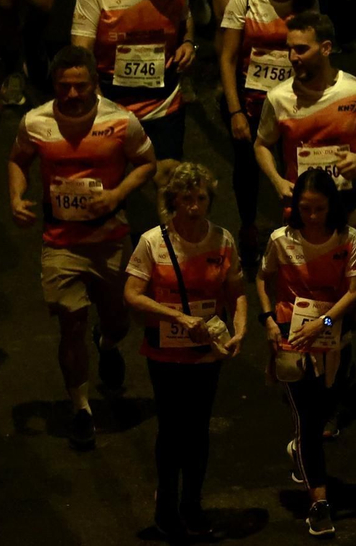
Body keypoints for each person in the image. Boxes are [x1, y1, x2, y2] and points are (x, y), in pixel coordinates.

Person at [8, 44, 156, 449]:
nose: (72, 95)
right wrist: (16, 198)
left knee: (118, 320)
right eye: (64, 87)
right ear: (53, 85)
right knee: (70, 324)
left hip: (109, 239)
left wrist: (117, 194)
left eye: (80, 86)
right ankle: (81, 408)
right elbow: (18, 160)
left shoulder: (122, 122)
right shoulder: (35, 122)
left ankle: (107, 344)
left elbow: (146, 163)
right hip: (60, 242)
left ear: (95, 83)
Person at [123, 163, 246, 541]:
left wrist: (240, 331)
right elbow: (131, 295)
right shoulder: (152, 242)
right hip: (165, 352)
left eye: (201, 198)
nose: (194, 207)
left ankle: (192, 504)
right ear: (173, 200)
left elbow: (237, 292)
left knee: (198, 429)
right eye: (187, 199)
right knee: (172, 429)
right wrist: (175, 315)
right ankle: (166, 506)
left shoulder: (223, 240)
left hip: (207, 350)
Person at [256, 169, 356, 539]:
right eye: (305, 209)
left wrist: (325, 324)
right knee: (307, 418)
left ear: (331, 206)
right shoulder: (280, 241)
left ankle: (300, 447)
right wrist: (269, 320)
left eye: (319, 209)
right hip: (292, 336)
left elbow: (353, 291)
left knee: (324, 411)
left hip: (331, 333)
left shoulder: (348, 239)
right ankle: (319, 503)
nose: (312, 216)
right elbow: (261, 277)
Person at [253, 10, 356, 265]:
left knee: (353, 294)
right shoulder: (278, 98)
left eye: (301, 50)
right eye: (289, 50)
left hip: (355, 207)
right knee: (309, 290)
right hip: (303, 210)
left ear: (326, 48)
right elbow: (262, 145)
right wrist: (277, 180)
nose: (292, 57)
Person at [217, 0, 315, 264]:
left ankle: (297, 231)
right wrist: (235, 112)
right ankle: (248, 228)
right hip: (249, 103)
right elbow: (227, 58)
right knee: (247, 169)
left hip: (293, 105)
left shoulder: (306, 1)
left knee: (295, 165)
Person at [70, 0, 192, 162]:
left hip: (163, 98)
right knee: (110, 183)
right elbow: (81, 51)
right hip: (113, 98)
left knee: (168, 177)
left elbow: (185, 19)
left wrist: (189, 42)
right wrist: (96, 98)